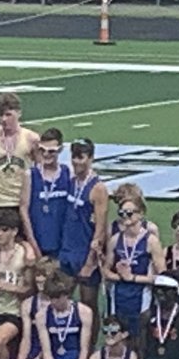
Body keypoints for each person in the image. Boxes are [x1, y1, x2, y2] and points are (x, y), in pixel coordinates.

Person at [58, 138, 109, 325]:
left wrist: (90, 262)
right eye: (74, 157)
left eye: (81, 157)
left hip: (84, 251)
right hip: (67, 251)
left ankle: (88, 349)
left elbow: (101, 228)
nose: (77, 161)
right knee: (62, 300)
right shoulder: (71, 182)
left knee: (88, 305)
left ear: (91, 158)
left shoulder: (98, 188)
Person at [102, 192, 165, 337]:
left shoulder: (151, 241)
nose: (125, 217)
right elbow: (106, 271)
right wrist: (120, 277)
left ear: (140, 214)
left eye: (129, 213)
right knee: (116, 335)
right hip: (118, 296)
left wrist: (133, 278)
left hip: (142, 296)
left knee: (140, 338)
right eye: (121, 213)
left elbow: (162, 276)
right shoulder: (115, 239)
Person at [0, 92, 40, 229]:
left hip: (23, 201)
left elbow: (39, 172)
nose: (4, 119)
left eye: (8, 114)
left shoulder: (31, 139)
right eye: (1, 115)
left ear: (18, 113)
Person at [20, 127, 71, 259]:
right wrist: (32, 241)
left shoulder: (67, 173)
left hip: (62, 240)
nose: (46, 154)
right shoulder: (30, 174)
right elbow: (23, 209)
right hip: (39, 238)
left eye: (51, 151)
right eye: (42, 150)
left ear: (60, 149)